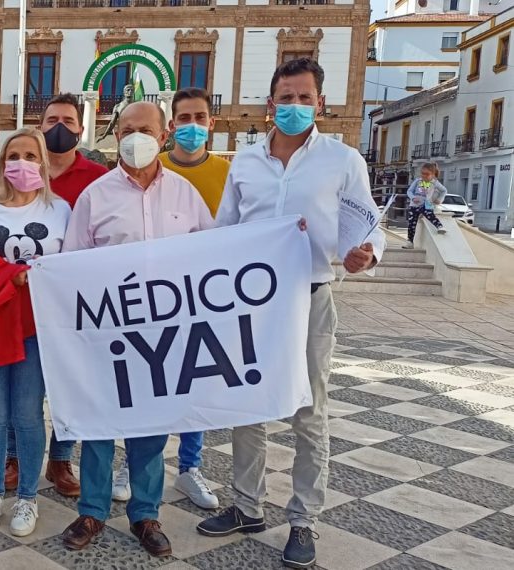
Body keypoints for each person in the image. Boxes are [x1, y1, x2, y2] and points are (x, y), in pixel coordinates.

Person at [196, 58, 384, 570]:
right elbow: (225, 230)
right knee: (248, 407)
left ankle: (303, 520)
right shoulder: (247, 162)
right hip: (251, 306)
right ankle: (247, 505)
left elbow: (368, 226)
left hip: (312, 298)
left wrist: (366, 253)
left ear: (320, 103)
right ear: (270, 104)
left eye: (306, 98)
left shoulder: (343, 161)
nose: (296, 107)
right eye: (287, 98)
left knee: (309, 413)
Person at [59, 102, 214, 557]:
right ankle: (92, 511)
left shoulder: (186, 195)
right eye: (126, 130)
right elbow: (73, 265)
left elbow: (211, 256)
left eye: (144, 129)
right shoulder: (96, 195)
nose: (135, 137)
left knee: (151, 428)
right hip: (107, 335)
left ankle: (146, 516)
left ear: (164, 134)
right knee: (99, 426)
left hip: (164, 337)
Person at [112, 87, 231, 511]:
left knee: (189, 388)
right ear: (173, 127)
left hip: (194, 302)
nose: (193, 126)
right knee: (139, 389)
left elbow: (229, 232)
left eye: (201, 117)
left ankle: (189, 467)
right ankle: (133, 463)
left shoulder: (224, 172)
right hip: (134, 307)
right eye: (186, 118)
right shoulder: (138, 172)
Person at [0, 127, 72, 537]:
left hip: (37, 329)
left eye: (29, 154)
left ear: (42, 161)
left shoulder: (59, 210)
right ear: (2, 162)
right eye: (13, 155)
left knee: (27, 414)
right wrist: (9, 276)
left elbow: (72, 266)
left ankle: (27, 497)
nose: (21, 163)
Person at [1, 93, 110, 499]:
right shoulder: (22, 170)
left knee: (67, 383)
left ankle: (61, 459)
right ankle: (13, 456)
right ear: (39, 125)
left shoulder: (97, 176)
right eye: (50, 120)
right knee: (18, 384)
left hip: (72, 304)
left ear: (81, 129)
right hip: (19, 304)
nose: (58, 127)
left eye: (67, 119)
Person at [403, 162, 447, 248]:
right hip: (415, 204)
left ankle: (439, 226)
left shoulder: (435, 183)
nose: (424, 176)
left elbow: (444, 190)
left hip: (427, 203)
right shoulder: (417, 181)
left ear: (433, 175)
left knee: (430, 215)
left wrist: (439, 199)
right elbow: (409, 191)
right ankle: (410, 241)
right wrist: (412, 198)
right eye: (423, 173)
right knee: (411, 223)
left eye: (427, 174)